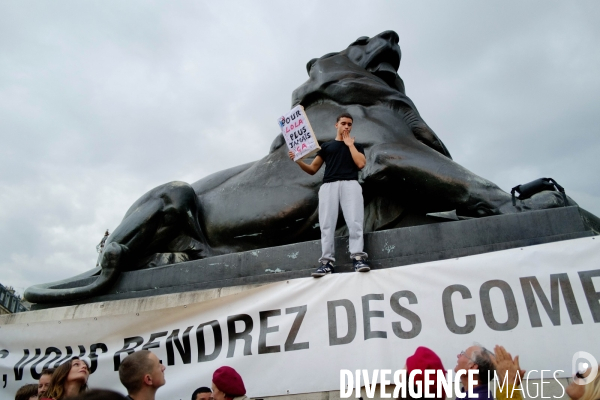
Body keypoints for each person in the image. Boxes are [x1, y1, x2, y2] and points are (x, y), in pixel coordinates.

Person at [289, 112, 370, 277]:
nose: (346, 126)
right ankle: (327, 263)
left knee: (355, 221)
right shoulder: (326, 146)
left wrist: (350, 145)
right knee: (326, 224)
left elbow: (361, 163)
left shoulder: (356, 145)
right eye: (343, 123)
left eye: (349, 124)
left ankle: (358, 259)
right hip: (329, 186)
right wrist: (298, 160)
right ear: (336, 125)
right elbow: (312, 169)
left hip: (350, 184)